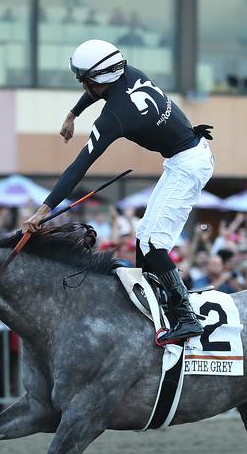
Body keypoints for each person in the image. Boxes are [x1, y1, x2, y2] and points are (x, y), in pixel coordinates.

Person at [22, 40, 215, 344]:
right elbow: (96, 91)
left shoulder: (114, 117)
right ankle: (155, 303)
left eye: (83, 80)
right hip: (187, 156)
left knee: (152, 242)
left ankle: (185, 316)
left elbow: (77, 167)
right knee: (144, 236)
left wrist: (43, 210)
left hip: (188, 165)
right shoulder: (129, 73)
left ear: (95, 81)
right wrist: (74, 113)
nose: (83, 85)